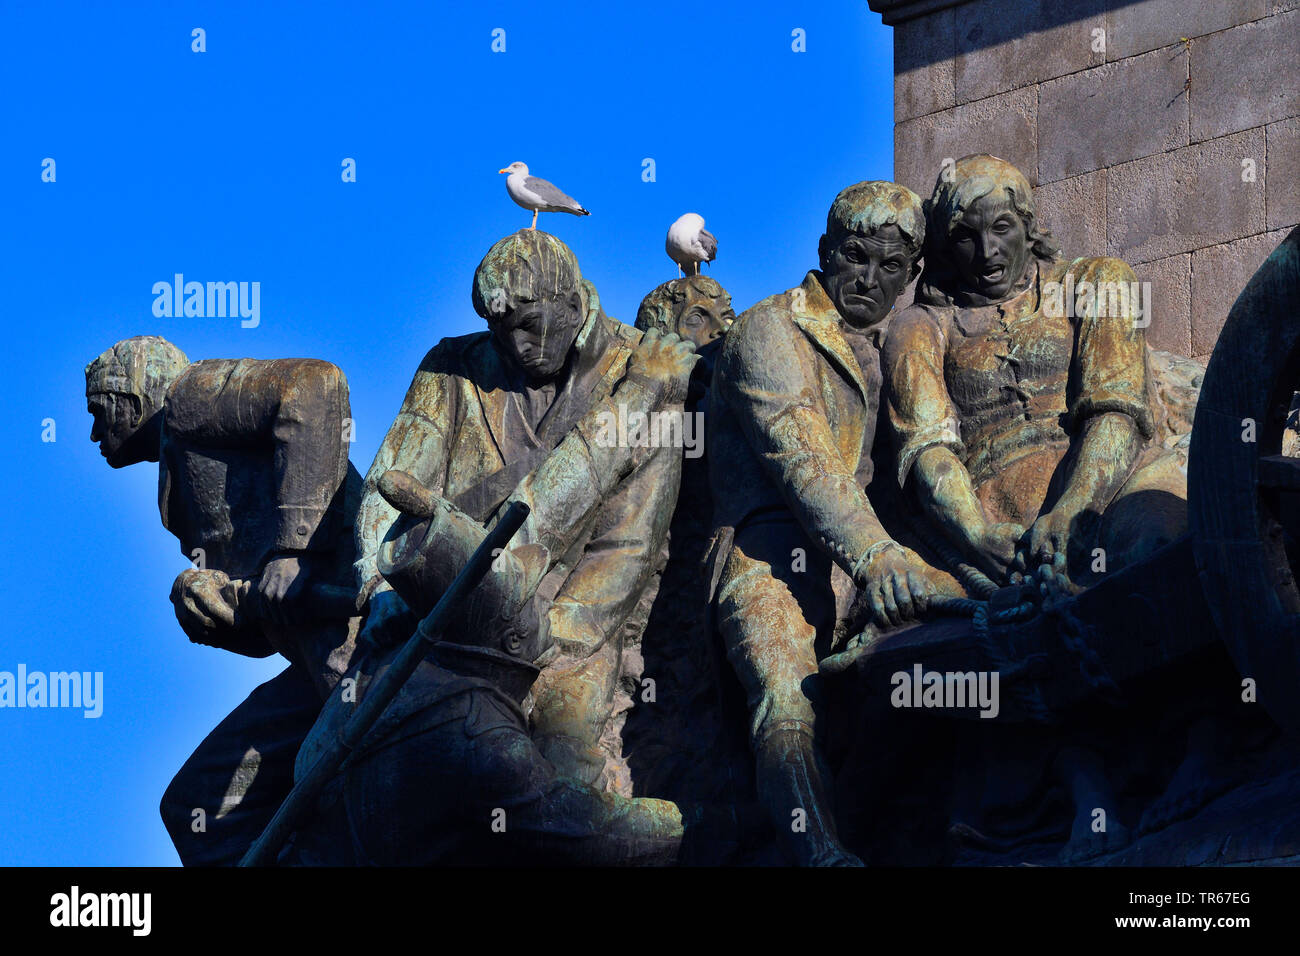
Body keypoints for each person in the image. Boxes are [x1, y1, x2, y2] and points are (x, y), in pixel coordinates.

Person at [353, 229, 686, 794]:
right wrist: (373, 587)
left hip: (571, 632)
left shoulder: (648, 368)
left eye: (531, 327)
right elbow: (388, 482)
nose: (520, 348)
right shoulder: (454, 365)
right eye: (503, 331)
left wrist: (556, 644)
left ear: (572, 301)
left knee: (561, 778)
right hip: (435, 616)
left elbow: (629, 545)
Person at [707, 181, 960, 865]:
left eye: (890, 268)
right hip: (767, 552)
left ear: (912, 276)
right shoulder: (771, 328)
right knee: (787, 699)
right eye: (855, 257)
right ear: (825, 252)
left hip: (872, 558)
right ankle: (816, 853)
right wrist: (880, 559)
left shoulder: (900, 345)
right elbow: (804, 462)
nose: (869, 280)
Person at [85, 336, 360, 865]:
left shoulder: (189, 399)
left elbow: (316, 386)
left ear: (133, 399)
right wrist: (218, 610)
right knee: (198, 804)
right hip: (310, 654)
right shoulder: (176, 487)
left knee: (380, 762)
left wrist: (294, 546)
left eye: (101, 412)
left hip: (358, 629)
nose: (95, 433)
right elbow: (268, 617)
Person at [883, 154, 1187, 588]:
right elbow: (927, 448)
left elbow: (1116, 409)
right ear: (947, 249)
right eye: (967, 237)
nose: (988, 252)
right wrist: (975, 536)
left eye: (1002, 228)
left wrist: (1076, 508)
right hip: (996, 517)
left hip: (1115, 484)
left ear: (1028, 226)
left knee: (1158, 546)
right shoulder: (920, 325)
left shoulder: (1097, 281)